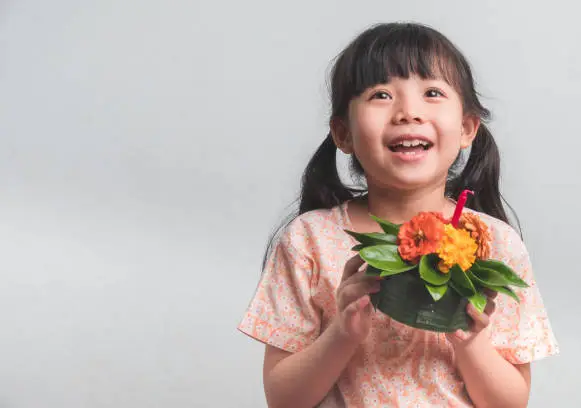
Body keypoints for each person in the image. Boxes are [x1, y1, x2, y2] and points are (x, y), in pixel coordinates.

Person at [237, 22, 559, 407]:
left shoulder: (496, 245)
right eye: (382, 94)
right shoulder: (309, 239)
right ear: (343, 133)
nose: (408, 112)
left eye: (433, 92)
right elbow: (283, 400)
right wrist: (342, 333)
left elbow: (510, 403)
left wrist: (470, 341)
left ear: (467, 128)